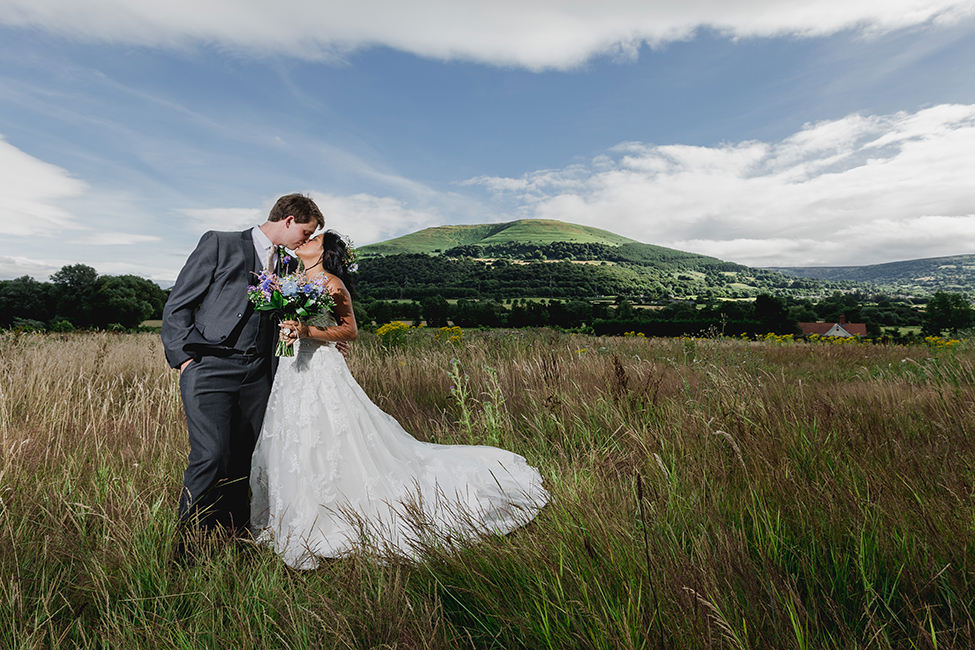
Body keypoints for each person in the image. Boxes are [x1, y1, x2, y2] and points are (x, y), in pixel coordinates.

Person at [250, 231, 549, 569]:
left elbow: (349, 330)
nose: (304, 241)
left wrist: (307, 332)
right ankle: (295, 509)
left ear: (325, 252)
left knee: (329, 432)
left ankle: (336, 509)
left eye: (313, 239)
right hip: (291, 371)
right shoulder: (292, 280)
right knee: (294, 435)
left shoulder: (332, 283)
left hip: (321, 368)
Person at [161, 194, 328, 542]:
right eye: (306, 231)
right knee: (210, 456)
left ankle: (235, 537)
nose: (306, 240)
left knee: (245, 459)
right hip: (209, 368)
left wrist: (325, 335)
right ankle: (188, 546)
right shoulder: (220, 243)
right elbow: (178, 304)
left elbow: (292, 316)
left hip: (259, 374)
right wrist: (184, 359)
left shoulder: (286, 266)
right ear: (288, 220)